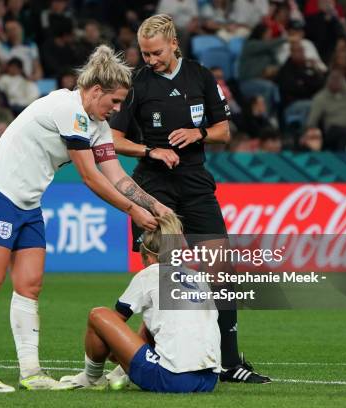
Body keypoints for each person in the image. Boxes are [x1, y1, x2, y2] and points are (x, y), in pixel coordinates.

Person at [0, 44, 171, 393]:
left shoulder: (98, 125)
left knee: (30, 285)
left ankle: (30, 373)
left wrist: (153, 204)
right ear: (93, 91)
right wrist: (132, 210)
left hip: (28, 203)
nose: (117, 109)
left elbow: (117, 177)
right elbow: (91, 177)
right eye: (114, 101)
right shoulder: (69, 109)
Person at [109, 14, 271, 384]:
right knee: (158, 276)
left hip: (196, 182)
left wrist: (197, 133)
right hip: (153, 187)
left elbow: (223, 131)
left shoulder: (200, 76)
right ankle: (153, 357)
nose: (150, 60)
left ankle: (229, 362)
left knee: (221, 270)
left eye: (156, 53)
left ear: (174, 43)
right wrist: (151, 150)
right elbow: (114, 140)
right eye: (145, 53)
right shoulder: (136, 82)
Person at [59, 213, 221, 392]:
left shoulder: (150, 273)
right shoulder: (197, 277)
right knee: (154, 319)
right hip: (209, 381)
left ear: (149, 257)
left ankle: (91, 378)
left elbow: (113, 322)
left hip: (173, 380)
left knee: (98, 315)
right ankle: (120, 374)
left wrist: (116, 352)